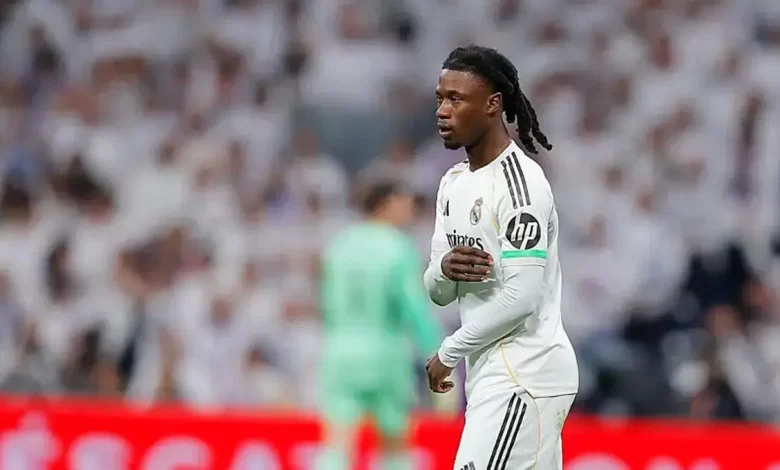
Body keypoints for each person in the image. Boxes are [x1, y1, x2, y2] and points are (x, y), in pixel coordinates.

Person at [423, 45, 579, 470]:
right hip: (493, 372)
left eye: (456, 99)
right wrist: (444, 269)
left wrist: (449, 352)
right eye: (440, 98)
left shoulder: (521, 186)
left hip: (525, 373)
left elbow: (521, 298)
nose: (442, 111)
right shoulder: (453, 183)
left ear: (492, 105)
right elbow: (437, 291)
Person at [319, 181, 443, 470]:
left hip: (340, 351)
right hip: (385, 353)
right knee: (394, 440)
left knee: (338, 444)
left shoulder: (339, 246)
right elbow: (413, 308)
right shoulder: (397, 247)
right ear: (386, 204)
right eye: (405, 203)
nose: (410, 211)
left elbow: (328, 305)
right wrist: (437, 351)